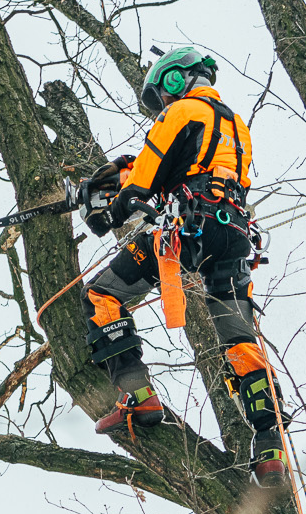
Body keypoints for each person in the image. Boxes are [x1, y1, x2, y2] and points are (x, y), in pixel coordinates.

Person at [78, 44, 286, 483]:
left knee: (101, 295)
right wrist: (120, 171)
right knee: (239, 338)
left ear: (176, 80)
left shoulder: (179, 113)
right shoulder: (235, 124)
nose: (165, 104)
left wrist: (104, 208)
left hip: (187, 231)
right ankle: (270, 445)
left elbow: (144, 182)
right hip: (233, 235)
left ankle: (137, 394)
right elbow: (189, 166)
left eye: (165, 95)